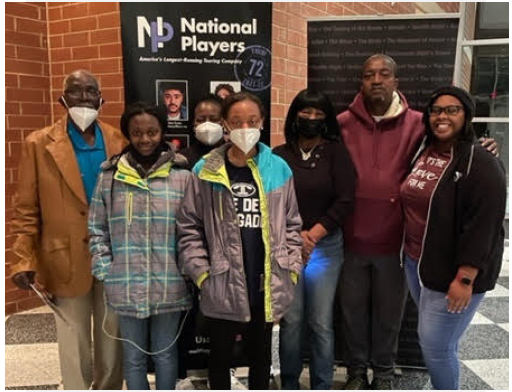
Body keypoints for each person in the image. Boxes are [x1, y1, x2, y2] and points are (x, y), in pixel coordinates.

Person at [336, 54, 498, 390]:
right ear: (360, 82)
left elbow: (482, 220)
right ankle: (355, 373)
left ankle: (383, 374)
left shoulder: (419, 127)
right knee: (354, 317)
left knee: (403, 326)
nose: (376, 80)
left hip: (404, 250)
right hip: (373, 247)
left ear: (396, 81)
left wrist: (482, 149)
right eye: (368, 75)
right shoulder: (343, 124)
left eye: (384, 74)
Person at [176, 92, 303, 390]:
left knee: (260, 357)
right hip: (222, 280)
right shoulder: (205, 170)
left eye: (252, 121)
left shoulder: (279, 169)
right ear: (225, 125)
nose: (245, 127)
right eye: (236, 121)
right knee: (219, 357)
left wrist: (292, 268)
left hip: (266, 280)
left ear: (262, 123)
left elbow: (293, 223)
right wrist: (203, 274)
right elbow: (189, 226)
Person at [10, 69, 125, 390]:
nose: (85, 99)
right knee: (72, 338)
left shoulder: (119, 140)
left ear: (102, 99)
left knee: (111, 334)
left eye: (92, 91)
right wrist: (23, 259)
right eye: (76, 91)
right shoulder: (38, 143)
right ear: (62, 98)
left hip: (113, 255)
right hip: (63, 256)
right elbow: (26, 210)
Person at [400, 86, 506, 390]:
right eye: (436, 110)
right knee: (444, 343)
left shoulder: (481, 161)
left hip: (453, 273)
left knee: (435, 347)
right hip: (416, 263)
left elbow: (484, 226)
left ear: (466, 115)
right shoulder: (424, 150)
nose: (441, 116)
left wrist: (465, 278)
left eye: (452, 110)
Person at [88, 102, 192, 389]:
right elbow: (97, 227)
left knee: (165, 354)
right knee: (133, 357)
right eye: (136, 133)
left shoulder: (182, 176)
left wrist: (187, 270)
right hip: (125, 282)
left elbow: (193, 229)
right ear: (127, 135)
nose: (145, 139)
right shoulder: (110, 177)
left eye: (152, 132)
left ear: (162, 132)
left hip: (169, 282)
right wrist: (106, 270)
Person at [274, 89, 355, 390]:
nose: (310, 119)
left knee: (321, 323)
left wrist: (313, 236)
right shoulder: (278, 155)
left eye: (318, 114)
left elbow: (346, 200)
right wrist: (297, 238)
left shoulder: (336, 152)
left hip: (326, 248)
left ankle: (322, 384)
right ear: (294, 116)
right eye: (305, 113)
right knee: (291, 322)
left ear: (327, 120)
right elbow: (271, 201)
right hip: (288, 248)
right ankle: (290, 383)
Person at [180, 94, 225, 170]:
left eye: (214, 120)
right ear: (193, 124)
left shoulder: (233, 157)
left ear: (224, 123)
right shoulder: (183, 158)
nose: (207, 125)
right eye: (200, 120)